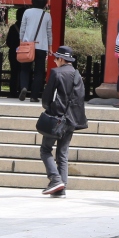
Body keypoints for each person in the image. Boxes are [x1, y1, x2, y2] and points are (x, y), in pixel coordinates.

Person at [39, 45, 87, 197]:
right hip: (72, 119)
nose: (55, 61)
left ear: (61, 59)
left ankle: (55, 179)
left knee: (45, 149)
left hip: (57, 118)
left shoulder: (56, 72)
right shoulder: (77, 74)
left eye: (56, 59)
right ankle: (61, 188)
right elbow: (80, 98)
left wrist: (48, 108)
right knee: (63, 153)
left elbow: (47, 97)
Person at [17, 0, 52, 101]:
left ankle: (24, 87)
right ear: (45, 3)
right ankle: (34, 96)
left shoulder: (27, 12)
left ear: (33, 1)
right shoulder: (47, 15)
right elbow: (49, 33)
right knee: (39, 72)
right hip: (41, 46)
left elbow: (22, 29)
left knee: (25, 69)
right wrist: (50, 47)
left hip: (27, 45)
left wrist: (21, 43)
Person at [5, 11, 22, 99]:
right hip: (25, 52)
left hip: (13, 52)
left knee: (14, 72)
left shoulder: (13, 27)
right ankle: (22, 89)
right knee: (23, 71)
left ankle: (12, 92)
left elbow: (8, 42)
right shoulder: (27, 27)